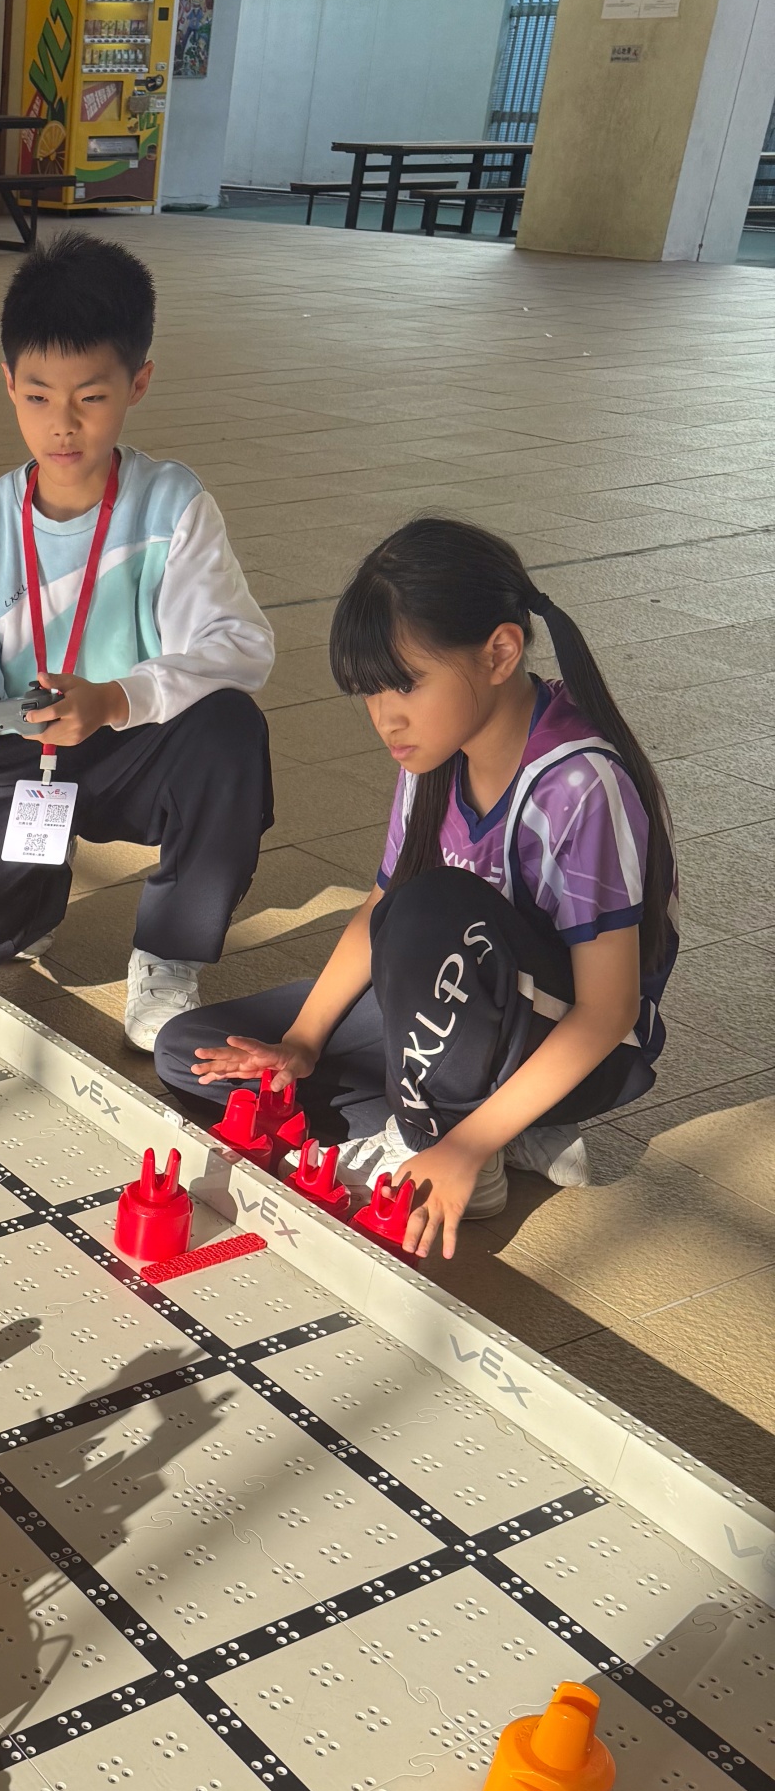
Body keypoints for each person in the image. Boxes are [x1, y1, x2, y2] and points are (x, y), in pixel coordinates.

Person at [154, 517, 679, 1258]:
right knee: (188, 1050)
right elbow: (379, 910)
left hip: (576, 1037)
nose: (385, 719)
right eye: (370, 693)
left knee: (432, 907)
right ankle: (492, 1127)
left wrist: (462, 1149)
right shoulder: (433, 755)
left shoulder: (577, 783)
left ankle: (461, 1144)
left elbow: (609, 1010)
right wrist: (300, 1044)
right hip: (456, 1004)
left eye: (406, 685)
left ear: (499, 653)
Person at [0, 231, 276, 1051]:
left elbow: (240, 644)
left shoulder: (171, 504)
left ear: (137, 384)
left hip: (137, 744)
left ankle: (169, 956)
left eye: (91, 397)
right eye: (38, 396)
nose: (63, 424)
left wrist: (118, 698)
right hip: (24, 751)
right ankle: (30, 899)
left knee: (229, 727)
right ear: (8, 384)